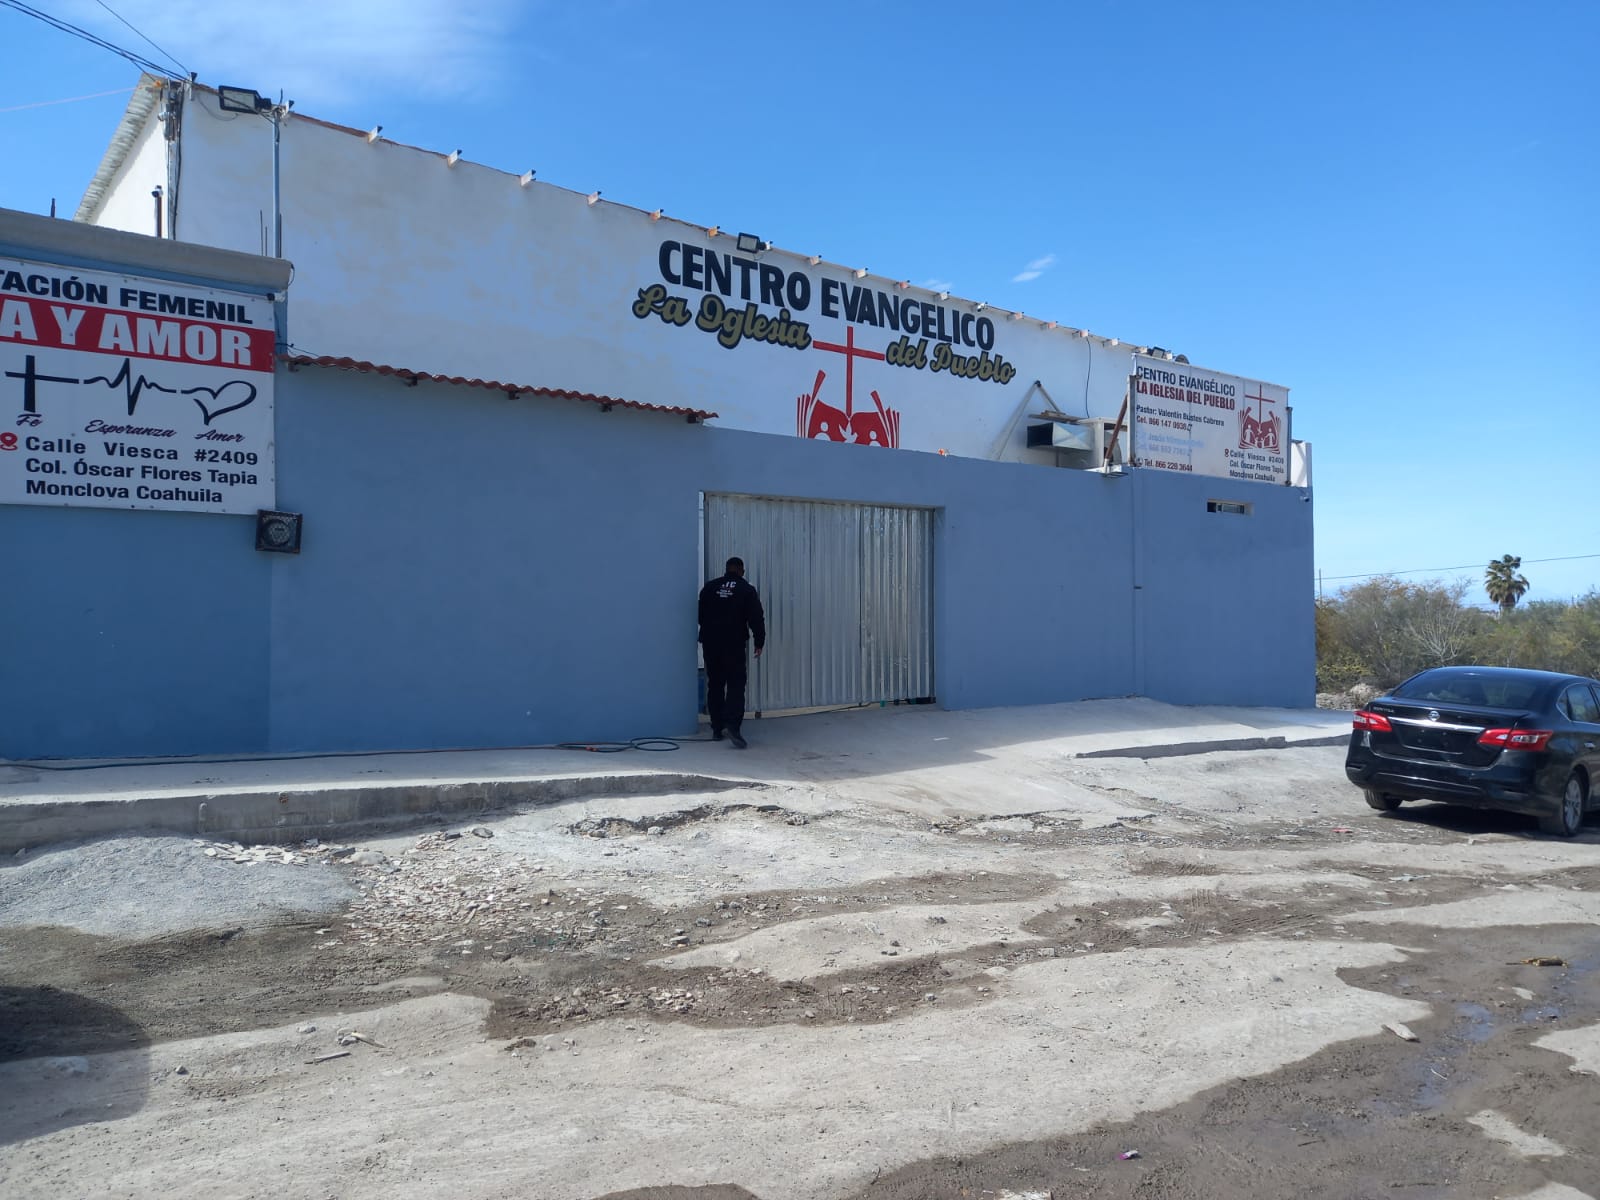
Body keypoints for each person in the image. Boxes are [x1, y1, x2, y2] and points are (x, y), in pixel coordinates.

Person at [698, 556, 765, 749]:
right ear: (741, 571)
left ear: (726, 569)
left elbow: (700, 615)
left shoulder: (710, 587)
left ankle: (717, 728)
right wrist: (759, 641)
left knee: (716, 684)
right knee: (736, 684)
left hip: (711, 643)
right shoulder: (746, 590)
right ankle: (733, 726)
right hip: (733, 644)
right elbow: (756, 617)